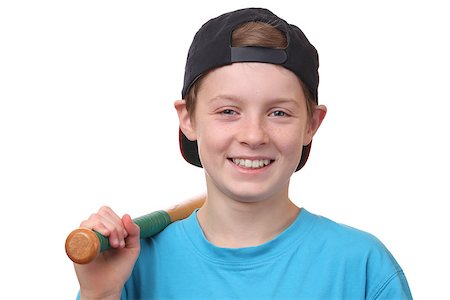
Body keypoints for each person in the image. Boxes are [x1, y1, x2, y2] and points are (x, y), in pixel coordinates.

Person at [74, 8, 412, 299]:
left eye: (279, 113)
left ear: (312, 124)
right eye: (228, 111)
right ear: (188, 119)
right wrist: (99, 294)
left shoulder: (362, 268)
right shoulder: (130, 268)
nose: (253, 136)